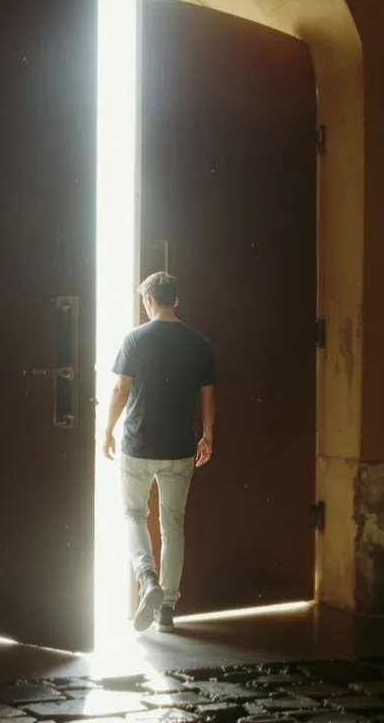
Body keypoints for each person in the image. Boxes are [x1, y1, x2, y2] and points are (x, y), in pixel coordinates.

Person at [101, 271, 216, 633]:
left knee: (134, 515)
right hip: (180, 447)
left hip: (137, 444)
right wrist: (208, 435)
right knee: (173, 524)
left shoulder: (134, 340)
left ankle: (147, 580)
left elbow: (120, 390)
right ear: (176, 300)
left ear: (148, 300)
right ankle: (167, 608)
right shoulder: (199, 344)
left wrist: (106, 430)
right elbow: (208, 396)